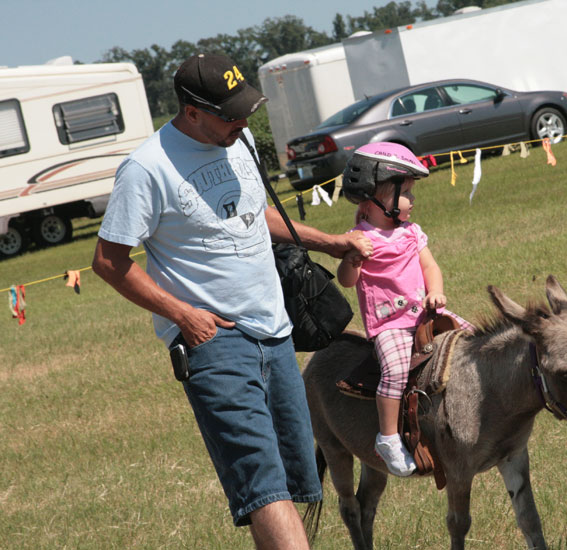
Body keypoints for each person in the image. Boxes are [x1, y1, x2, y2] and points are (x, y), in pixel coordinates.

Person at [91, 53, 371, 549]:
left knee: (285, 484)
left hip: (276, 331)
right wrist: (182, 315)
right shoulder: (146, 168)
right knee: (262, 486)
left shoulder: (236, 141)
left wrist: (328, 241)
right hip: (216, 343)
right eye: (230, 113)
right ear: (192, 111)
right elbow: (110, 261)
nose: (243, 122)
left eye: (245, 110)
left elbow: (254, 215)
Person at [336, 142, 472, 477]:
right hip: (390, 326)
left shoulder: (411, 233)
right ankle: (388, 438)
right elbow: (346, 281)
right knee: (394, 371)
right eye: (406, 192)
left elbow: (431, 269)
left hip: (422, 314)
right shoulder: (359, 238)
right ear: (373, 197)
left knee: (471, 339)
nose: (412, 200)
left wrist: (436, 292)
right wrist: (351, 260)